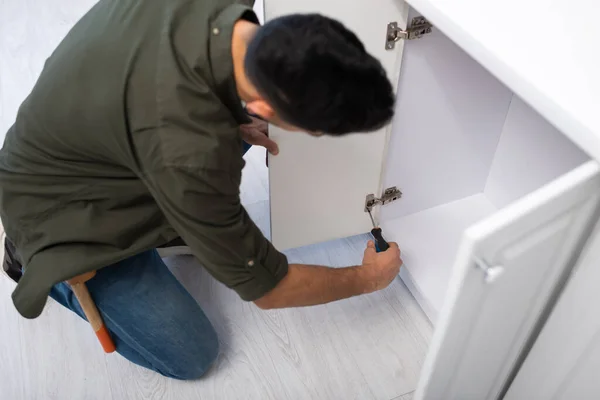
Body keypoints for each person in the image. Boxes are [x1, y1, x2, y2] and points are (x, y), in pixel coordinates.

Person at [0, 0, 402, 380]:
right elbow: (272, 289)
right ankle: (35, 265)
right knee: (191, 354)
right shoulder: (190, 152)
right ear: (261, 108)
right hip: (54, 211)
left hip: (106, 136)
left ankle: (184, 223)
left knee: (207, 153)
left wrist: (229, 119)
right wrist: (368, 279)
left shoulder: (229, 30)